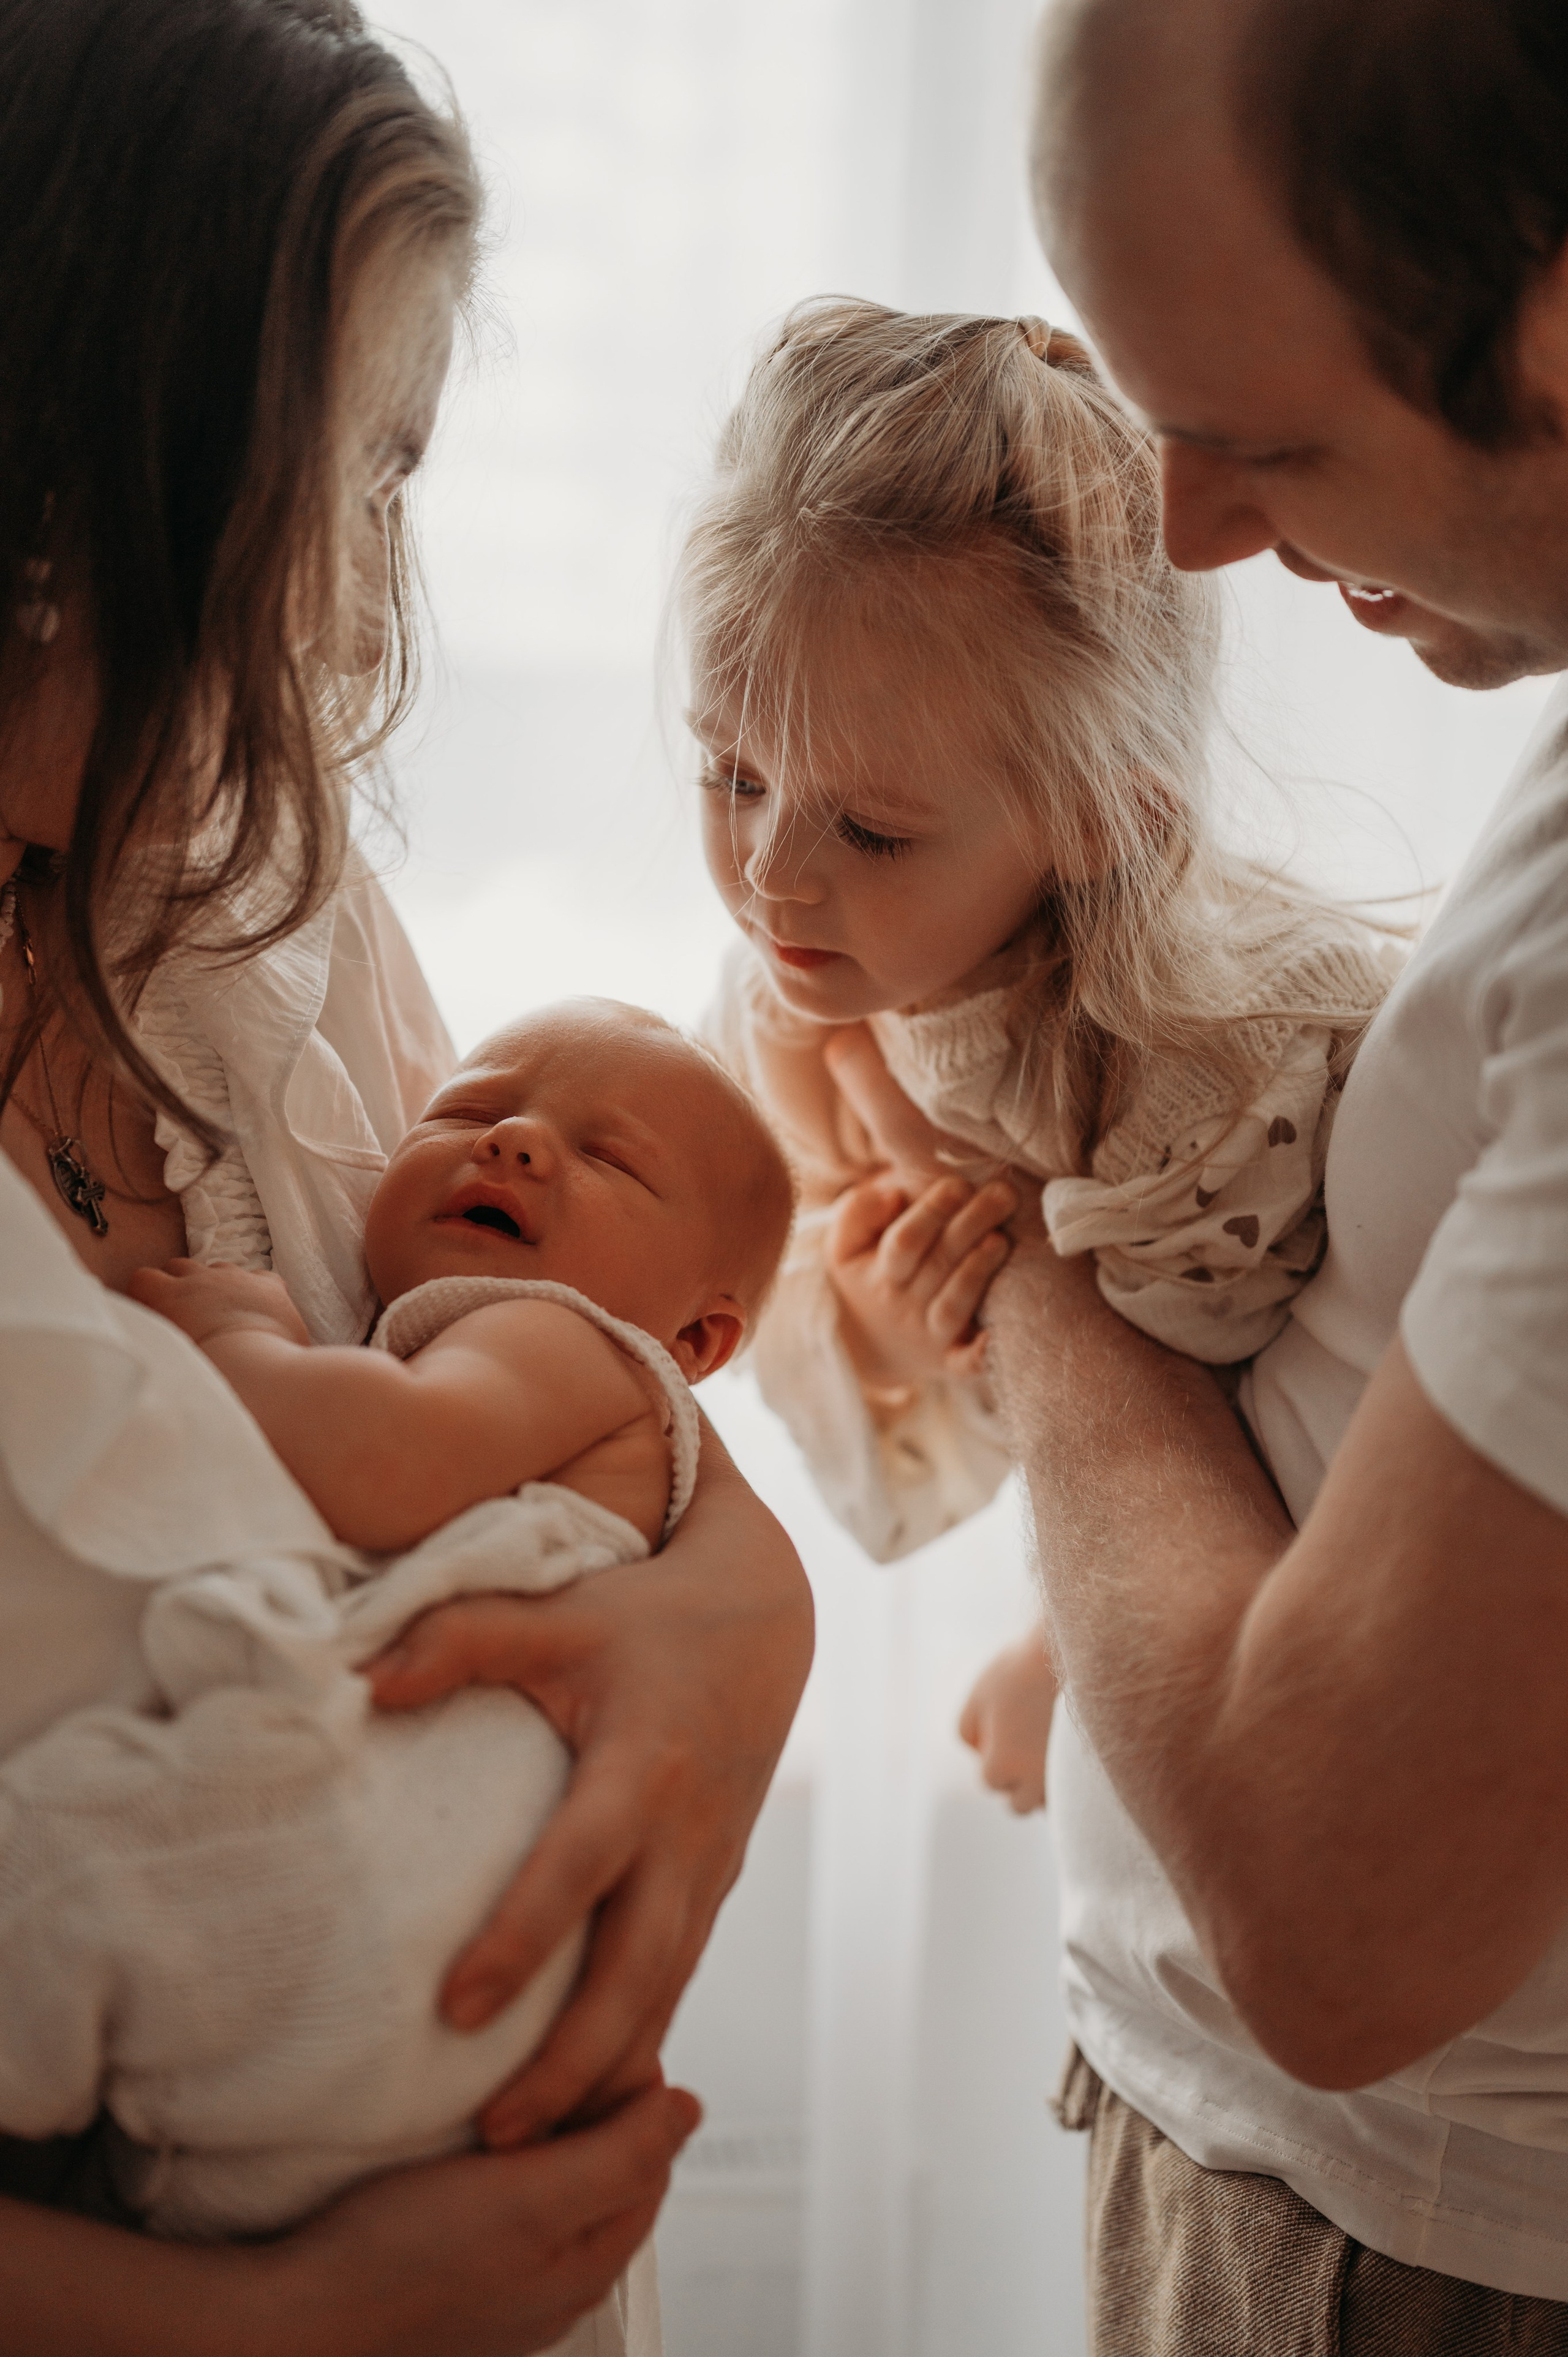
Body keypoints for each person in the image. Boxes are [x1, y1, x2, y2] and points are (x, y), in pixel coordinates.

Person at [0, 4, 812, 2350]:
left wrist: (745, 1612)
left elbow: (558, 1344)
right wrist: (281, 2324)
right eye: (352, 478)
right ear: (75, 466)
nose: (366, 623)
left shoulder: (254, 898)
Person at [921, 0, 1568, 2344]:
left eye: (1252, 436)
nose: (1191, 529)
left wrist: (1021, 1256)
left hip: (1414, 2250)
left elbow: (1339, 1912)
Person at [689, 299, 1389, 1812]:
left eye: (868, 828)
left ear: (1101, 817)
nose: (769, 879)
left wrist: (1052, 1660)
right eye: (730, 772)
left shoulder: (1217, 1072)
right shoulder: (785, 999)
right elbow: (825, 1344)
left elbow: (1256, 1472)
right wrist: (891, 1320)